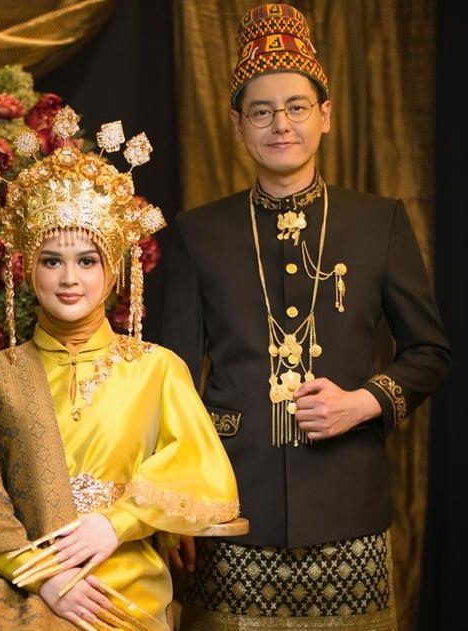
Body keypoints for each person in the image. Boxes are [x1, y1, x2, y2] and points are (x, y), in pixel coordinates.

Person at [0, 107, 239, 631]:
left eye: (87, 260)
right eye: (51, 261)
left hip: (118, 582)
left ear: (113, 271)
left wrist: (117, 524)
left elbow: (207, 478)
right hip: (11, 578)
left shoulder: (155, 370)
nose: (69, 279)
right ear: (27, 270)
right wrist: (42, 575)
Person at [160, 3, 451, 630]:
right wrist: (176, 503)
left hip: (350, 509)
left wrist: (363, 402)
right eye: (261, 111)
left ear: (326, 115)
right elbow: (172, 382)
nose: (281, 125)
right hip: (230, 509)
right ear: (237, 125)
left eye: (296, 107)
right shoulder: (197, 233)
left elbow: (430, 353)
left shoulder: (379, 222)